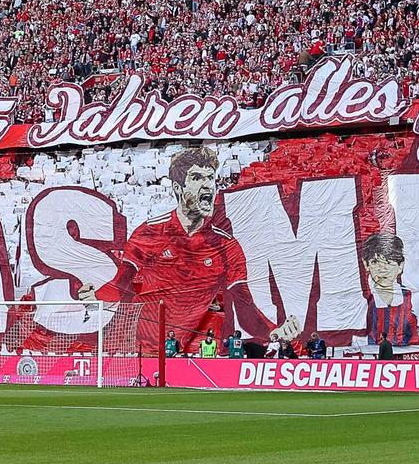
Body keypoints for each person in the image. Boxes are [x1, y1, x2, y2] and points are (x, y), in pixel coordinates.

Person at [82, 147, 296, 354]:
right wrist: (96, 296)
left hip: (197, 348)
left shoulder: (227, 246)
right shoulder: (150, 233)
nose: (207, 186)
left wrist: (274, 331)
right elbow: (122, 285)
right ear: (178, 188)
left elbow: (244, 307)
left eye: (210, 178)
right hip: (144, 349)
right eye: (196, 178)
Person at [361, 233, 419, 349]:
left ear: (400, 265)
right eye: (375, 262)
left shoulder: (409, 297)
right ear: (366, 264)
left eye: (388, 263)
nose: (382, 269)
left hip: (403, 351)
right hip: (372, 353)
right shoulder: (364, 299)